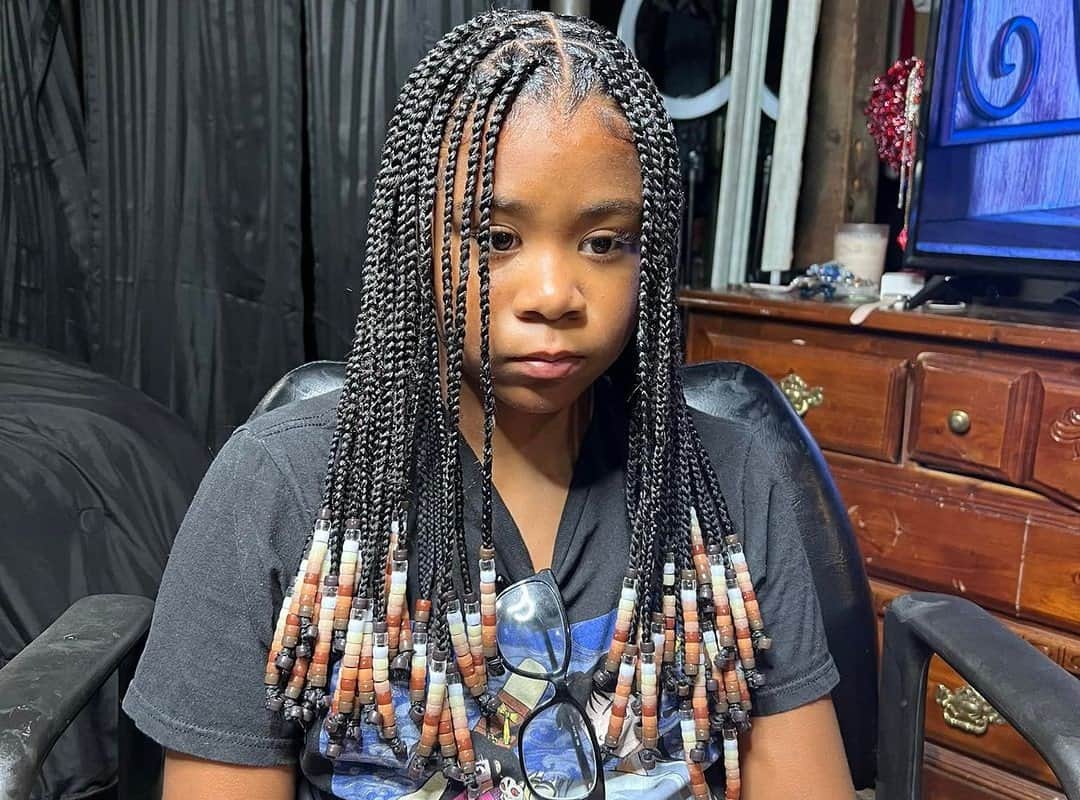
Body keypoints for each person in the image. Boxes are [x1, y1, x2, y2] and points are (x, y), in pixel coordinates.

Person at [122, 10, 855, 800]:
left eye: (606, 242)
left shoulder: (732, 479)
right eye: (496, 237)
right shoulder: (277, 489)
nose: (553, 295)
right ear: (416, 237)